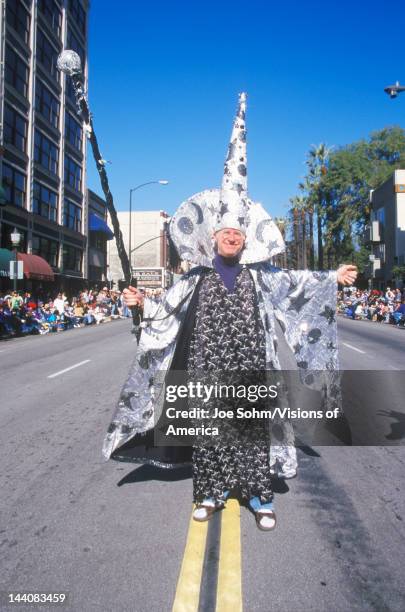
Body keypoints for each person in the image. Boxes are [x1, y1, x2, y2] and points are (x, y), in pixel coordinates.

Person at [102, 92, 357, 530]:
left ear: (246, 238)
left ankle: (259, 496)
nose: (232, 238)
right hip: (207, 367)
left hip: (252, 366)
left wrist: (332, 276)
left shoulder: (261, 275)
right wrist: (139, 302)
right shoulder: (194, 278)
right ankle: (211, 493)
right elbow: (165, 309)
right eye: (225, 232)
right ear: (212, 235)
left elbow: (298, 285)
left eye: (238, 233)